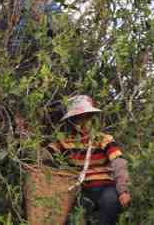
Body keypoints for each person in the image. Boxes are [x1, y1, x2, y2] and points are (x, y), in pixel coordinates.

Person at [43, 95, 131, 225]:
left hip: (105, 187)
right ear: (72, 120)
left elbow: (119, 162)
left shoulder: (103, 139)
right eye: (79, 118)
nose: (84, 121)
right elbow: (44, 156)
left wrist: (123, 190)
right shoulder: (64, 141)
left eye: (88, 116)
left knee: (111, 202)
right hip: (80, 190)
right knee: (73, 218)